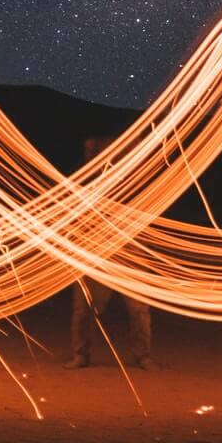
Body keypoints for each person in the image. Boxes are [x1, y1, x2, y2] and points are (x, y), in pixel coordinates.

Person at [64, 136, 156, 370]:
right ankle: (81, 354)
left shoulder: (134, 184)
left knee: (138, 308)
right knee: (85, 304)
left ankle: (142, 355)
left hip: (130, 248)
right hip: (96, 247)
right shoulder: (90, 186)